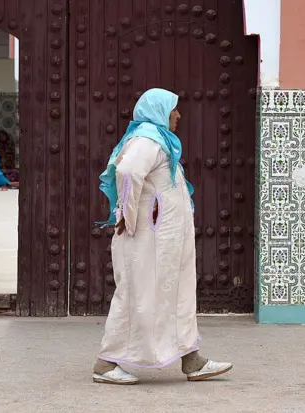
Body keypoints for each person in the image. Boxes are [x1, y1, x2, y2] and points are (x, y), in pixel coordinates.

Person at [92, 88, 232, 385]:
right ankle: (106, 363)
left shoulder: (160, 141)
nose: (178, 115)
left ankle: (191, 360)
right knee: (138, 296)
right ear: (158, 112)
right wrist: (127, 217)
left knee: (176, 294)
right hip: (146, 239)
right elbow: (127, 172)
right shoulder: (147, 140)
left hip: (165, 241)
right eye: (173, 110)